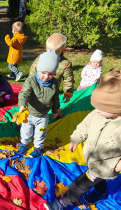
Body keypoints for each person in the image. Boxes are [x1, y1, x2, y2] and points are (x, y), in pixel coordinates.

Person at [44, 68, 121, 210]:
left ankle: (61, 203)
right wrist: (75, 139)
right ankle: (99, 191)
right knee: (99, 180)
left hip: (105, 164)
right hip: (93, 157)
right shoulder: (97, 113)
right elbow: (85, 125)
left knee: (80, 184)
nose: (96, 109)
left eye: (101, 107)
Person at [18, 49, 60, 158]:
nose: (46, 77)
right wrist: (22, 104)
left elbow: (56, 97)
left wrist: (55, 110)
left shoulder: (54, 83)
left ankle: (38, 148)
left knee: (40, 133)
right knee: (26, 130)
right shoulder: (31, 80)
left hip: (43, 115)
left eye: (50, 74)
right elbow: (24, 93)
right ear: (38, 69)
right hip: (30, 113)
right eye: (43, 73)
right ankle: (24, 143)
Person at [29, 33, 74, 103]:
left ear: (63, 50)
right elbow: (32, 71)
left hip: (52, 91)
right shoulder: (41, 58)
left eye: (54, 53)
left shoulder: (65, 64)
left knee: (49, 106)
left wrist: (68, 93)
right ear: (46, 48)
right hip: (37, 88)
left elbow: (68, 79)